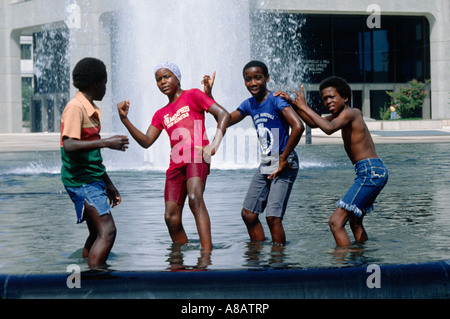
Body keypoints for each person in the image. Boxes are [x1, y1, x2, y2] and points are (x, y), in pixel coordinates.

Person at [117, 61, 230, 252]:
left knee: (195, 198)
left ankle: (206, 255)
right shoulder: (160, 114)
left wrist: (213, 145)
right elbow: (146, 141)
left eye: (167, 76)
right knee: (171, 217)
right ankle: (178, 262)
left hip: (197, 156)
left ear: (177, 77)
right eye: (158, 79)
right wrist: (124, 119)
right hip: (175, 164)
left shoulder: (193, 95)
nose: (162, 82)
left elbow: (224, 115)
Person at [276, 76, 388, 247]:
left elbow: (328, 129)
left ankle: (343, 267)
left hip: (370, 171)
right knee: (355, 222)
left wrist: (304, 106)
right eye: (324, 99)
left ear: (345, 98)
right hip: (372, 171)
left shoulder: (352, 112)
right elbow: (313, 124)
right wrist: (292, 103)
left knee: (335, 223)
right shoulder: (341, 115)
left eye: (331, 97)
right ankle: (361, 260)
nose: (327, 101)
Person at [204, 61, 304, 245]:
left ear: (267, 78)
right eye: (248, 79)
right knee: (249, 214)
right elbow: (225, 119)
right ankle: (256, 259)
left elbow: (298, 126)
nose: (253, 83)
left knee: (273, 218)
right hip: (267, 162)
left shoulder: (276, 99)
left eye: (257, 78)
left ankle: (278, 264)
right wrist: (209, 96)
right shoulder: (249, 104)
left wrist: (282, 159)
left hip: (285, 161)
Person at [61, 57, 130, 269]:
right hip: (82, 181)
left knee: (96, 233)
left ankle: (82, 275)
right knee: (108, 232)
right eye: (105, 82)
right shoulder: (75, 108)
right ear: (96, 84)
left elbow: (92, 155)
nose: (106, 88)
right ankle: (96, 280)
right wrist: (107, 142)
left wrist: (107, 183)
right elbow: (70, 144)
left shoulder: (88, 107)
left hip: (92, 179)